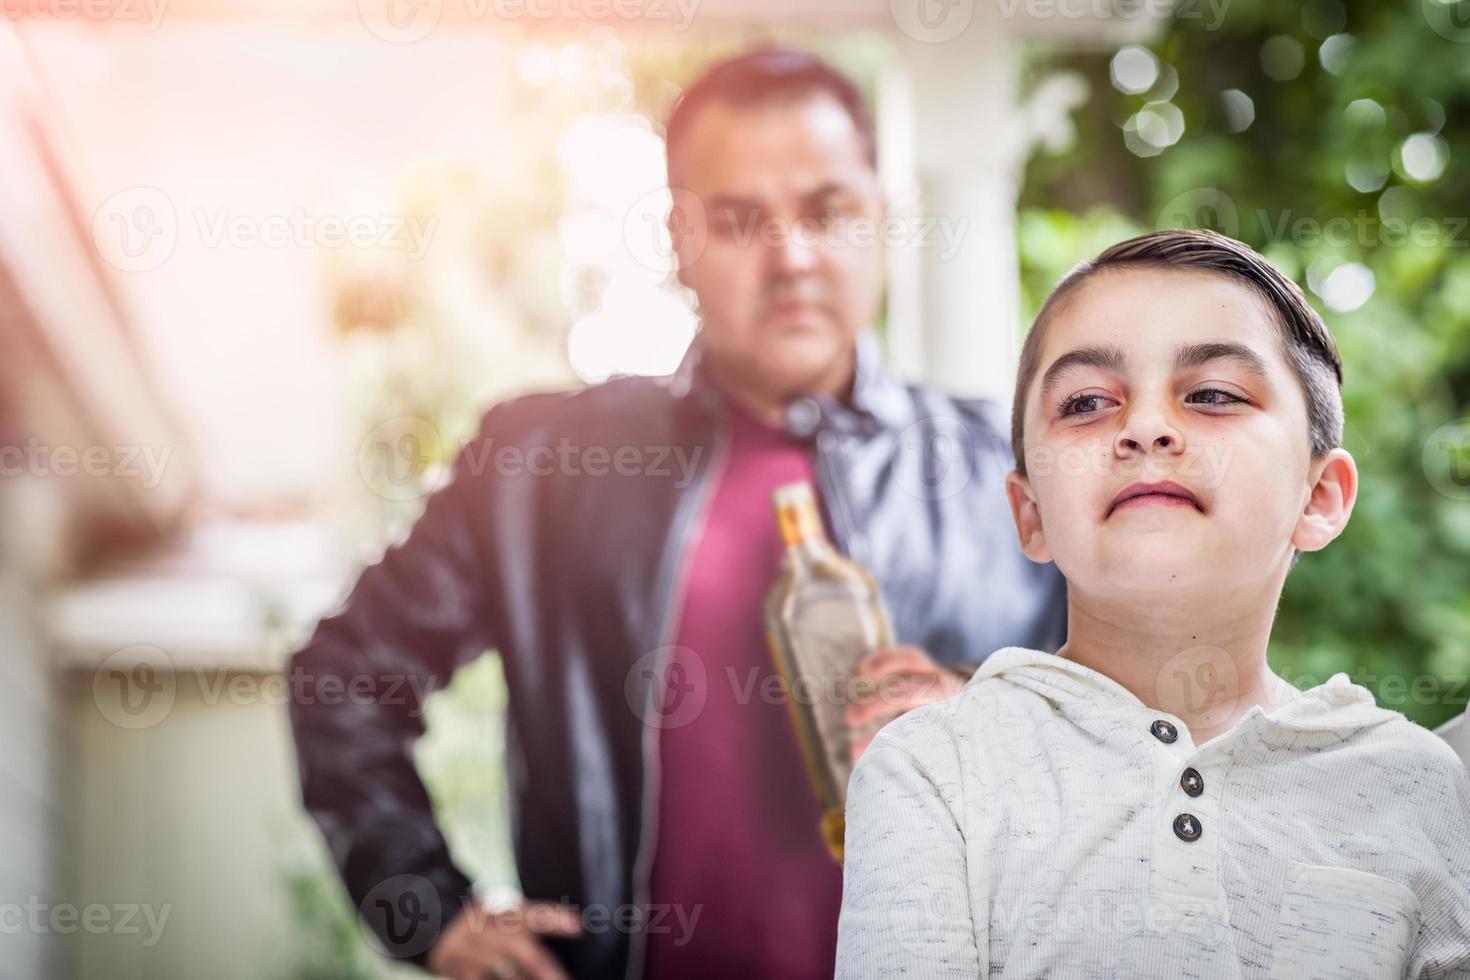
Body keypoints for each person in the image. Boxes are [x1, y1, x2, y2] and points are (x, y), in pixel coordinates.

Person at [288, 48, 1066, 980]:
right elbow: (343, 677)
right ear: (677, 240)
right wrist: (427, 907)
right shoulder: (542, 465)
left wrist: (981, 721)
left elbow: (1155, 727)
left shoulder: (1015, 470)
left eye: (828, 212)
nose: (793, 258)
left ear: (883, 221)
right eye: (741, 221)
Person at [835, 229, 1470, 977]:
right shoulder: (933, 771)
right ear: (1030, 512)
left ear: (1320, 496)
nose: (1144, 427)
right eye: (1086, 404)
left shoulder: (1422, 785)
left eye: (1211, 394)